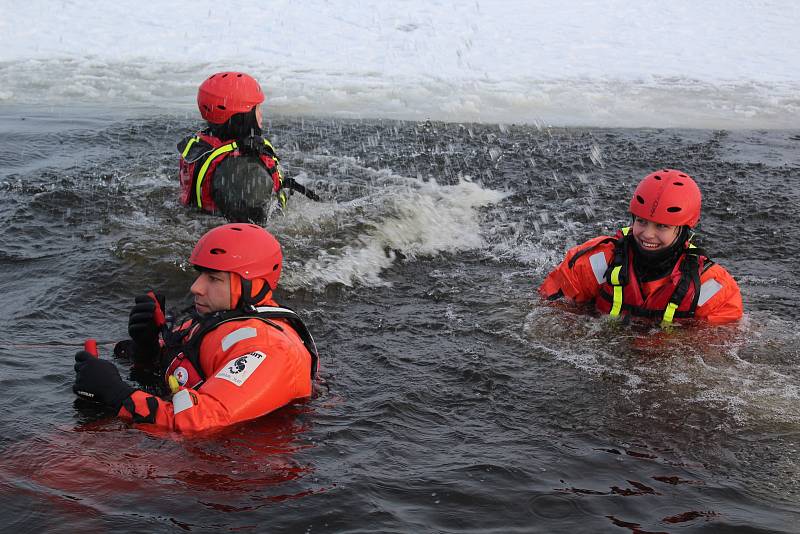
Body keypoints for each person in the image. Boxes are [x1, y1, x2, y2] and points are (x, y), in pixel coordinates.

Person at [73, 223, 320, 433]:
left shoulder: (268, 351)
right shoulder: (217, 319)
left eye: (213, 279)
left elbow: (200, 423)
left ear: (253, 285)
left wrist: (117, 395)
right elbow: (184, 368)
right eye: (201, 275)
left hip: (237, 472)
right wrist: (146, 348)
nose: (196, 287)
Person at [539, 169, 743, 326]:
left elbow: (718, 348)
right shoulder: (595, 260)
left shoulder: (714, 287)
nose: (647, 234)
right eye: (641, 221)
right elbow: (549, 311)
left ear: (684, 229)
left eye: (662, 226)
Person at [178, 71, 317, 222]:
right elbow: (255, 227)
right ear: (242, 116)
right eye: (257, 109)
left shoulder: (209, 143)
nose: (261, 115)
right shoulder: (242, 171)